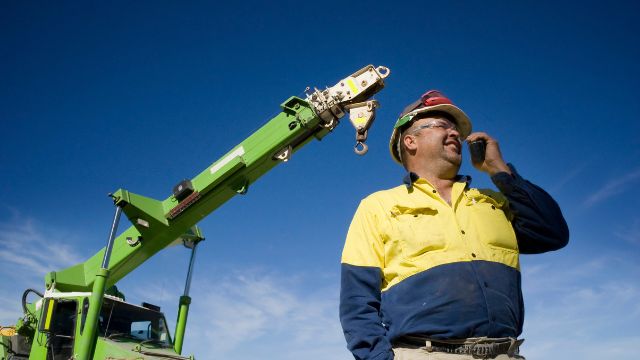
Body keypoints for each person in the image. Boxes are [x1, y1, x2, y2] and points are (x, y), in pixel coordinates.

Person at [339, 90, 569, 360]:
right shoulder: (378, 206)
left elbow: (552, 232)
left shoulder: (493, 202)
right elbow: (357, 302)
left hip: (506, 353)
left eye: (455, 129)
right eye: (441, 126)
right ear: (410, 141)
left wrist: (500, 171)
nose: (455, 134)